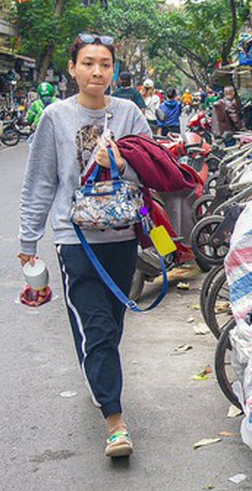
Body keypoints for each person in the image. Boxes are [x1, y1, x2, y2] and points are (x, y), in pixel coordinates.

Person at [18, 33, 152, 458]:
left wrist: (123, 162)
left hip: (122, 236)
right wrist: (28, 239)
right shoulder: (56, 117)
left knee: (108, 326)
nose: (97, 71)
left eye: (106, 64)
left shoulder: (129, 114)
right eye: (89, 63)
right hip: (74, 238)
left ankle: (97, 377)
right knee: (96, 327)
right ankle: (115, 421)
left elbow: (153, 168)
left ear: (114, 70)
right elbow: (41, 181)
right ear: (72, 69)